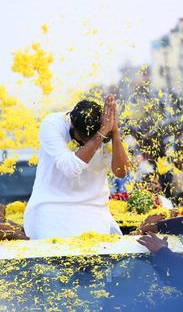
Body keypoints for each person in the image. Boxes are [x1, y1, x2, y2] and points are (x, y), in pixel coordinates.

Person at [24, 95, 130, 239]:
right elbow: (70, 169)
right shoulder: (52, 124)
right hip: (52, 212)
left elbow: (121, 173)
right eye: (83, 140)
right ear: (72, 124)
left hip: (94, 213)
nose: (87, 144)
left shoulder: (105, 127)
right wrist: (100, 134)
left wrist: (115, 131)